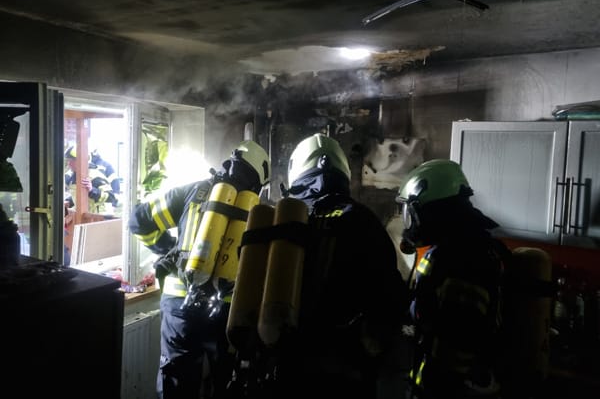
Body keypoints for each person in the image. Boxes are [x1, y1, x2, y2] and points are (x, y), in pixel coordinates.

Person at [254, 133, 409, 399]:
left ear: (297, 171)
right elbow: (389, 298)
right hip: (344, 372)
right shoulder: (362, 220)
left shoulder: (278, 219)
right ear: (343, 172)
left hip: (281, 366)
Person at [128, 140, 271, 399]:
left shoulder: (192, 192)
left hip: (180, 306)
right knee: (225, 381)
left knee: (176, 380)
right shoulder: (261, 211)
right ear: (260, 178)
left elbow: (139, 220)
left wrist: (169, 250)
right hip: (228, 311)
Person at [395, 159, 512, 399]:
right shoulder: (457, 248)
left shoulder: (463, 258)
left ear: (428, 210)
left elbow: (456, 350)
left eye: (409, 211)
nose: (408, 221)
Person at [64, 145, 120, 214]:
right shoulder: (73, 177)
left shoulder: (95, 176)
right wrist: (69, 201)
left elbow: (111, 197)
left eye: (72, 160)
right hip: (85, 219)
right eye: (68, 160)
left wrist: (92, 190)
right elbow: (80, 196)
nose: (69, 164)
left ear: (82, 160)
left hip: (100, 219)